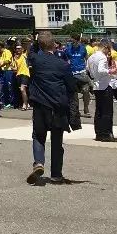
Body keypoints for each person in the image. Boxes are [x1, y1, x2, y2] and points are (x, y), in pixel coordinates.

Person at [26, 32, 78, 185]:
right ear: (54, 44)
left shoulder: (36, 60)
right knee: (57, 141)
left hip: (40, 104)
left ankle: (39, 162)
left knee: (38, 136)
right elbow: (72, 86)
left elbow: (31, 51)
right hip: (57, 106)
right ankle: (56, 174)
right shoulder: (62, 64)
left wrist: (37, 42)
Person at [88, 39, 117, 143]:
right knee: (107, 111)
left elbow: (87, 69)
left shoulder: (91, 57)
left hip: (96, 85)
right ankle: (107, 134)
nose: (109, 52)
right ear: (105, 47)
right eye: (109, 49)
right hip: (104, 85)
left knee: (99, 111)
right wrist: (111, 71)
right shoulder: (102, 57)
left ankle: (99, 133)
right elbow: (101, 70)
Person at [62, 32, 92, 116]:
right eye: (72, 41)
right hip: (72, 74)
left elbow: (87, 59)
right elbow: (64, 60)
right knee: (74, 93)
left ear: (78, 41)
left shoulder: (83, 48)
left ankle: (86, 108)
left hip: (82, 73)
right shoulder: (67, 49)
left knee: (86, 91)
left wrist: (87, 68)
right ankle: (76, 110)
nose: (73, 43)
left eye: (74, 41)